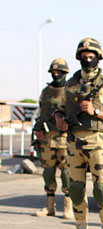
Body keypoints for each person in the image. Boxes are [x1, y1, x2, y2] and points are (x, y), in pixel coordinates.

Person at [54, 38, 103, 229]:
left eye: (91, 55)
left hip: (98, 143)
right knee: (75, 190)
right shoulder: (71, 84)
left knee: (102, 190)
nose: (87, 58)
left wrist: (96, 112)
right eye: (84, 55)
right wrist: (59, 119)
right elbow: (59, 109)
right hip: (74, 143)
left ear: (98, 57)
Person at [33, 58, 73, 219]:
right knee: (48, 172)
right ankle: (49, 206)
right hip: (47, 139)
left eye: (59, 72)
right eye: (53, 72)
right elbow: (41, 113)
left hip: (64, 138)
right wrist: (37, 129)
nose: (56, 74)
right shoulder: (46, 92)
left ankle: (68, 206)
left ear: (64, 73)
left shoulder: (70, 91)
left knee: (66, 173)